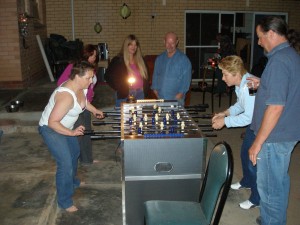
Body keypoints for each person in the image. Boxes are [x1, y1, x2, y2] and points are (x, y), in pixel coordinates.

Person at [247, 16, 300, 225]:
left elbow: (276, 106)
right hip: (286, 132)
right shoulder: (290, 55)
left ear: (271, 34)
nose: (259, 42)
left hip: (274, 137)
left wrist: (257, 142)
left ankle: (272, 221)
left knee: (269, 190)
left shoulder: (278, 61)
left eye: (260, 37)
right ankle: (272, 219)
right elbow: (287, 89)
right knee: (278, 183)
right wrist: (265, 83)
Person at [38, 61, 104, 212]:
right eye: (88, 78)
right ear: (76, 76)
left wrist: (95, 110)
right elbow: (53, 122)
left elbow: (84, 102)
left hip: (65, 127)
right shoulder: (66, 96)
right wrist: (72, 133)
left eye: (92, 77)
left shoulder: (82, 87)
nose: (91, 81)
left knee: (75, 153)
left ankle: (73, 181)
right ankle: (64, 201)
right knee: (65, 163)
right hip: (50, 129)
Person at [211, 55, 259, 210]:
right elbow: (240, 105)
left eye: (225, 74)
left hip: (261, 127)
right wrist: (225, 113)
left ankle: (257, 199)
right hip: (254, 125)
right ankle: (247, 181)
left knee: (255, 162)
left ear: (237, 74)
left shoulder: (250, 85)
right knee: (245, 153)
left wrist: (225, 122)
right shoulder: (240, 84)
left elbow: (248, 116)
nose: (223, 78)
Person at [57, 44, 98, 164]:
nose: (93, 58)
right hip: (76, 104)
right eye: (91, 55)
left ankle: (87, 159)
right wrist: (75, 93)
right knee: (78, 134)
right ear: (85, 54)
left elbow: (90, 85)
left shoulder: (91, 69)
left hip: (86, 104)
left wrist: (91, 93)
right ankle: (73, 160)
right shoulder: (74, 67)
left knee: (86, 132)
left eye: (95, 56)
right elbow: (61, 82)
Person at [104, 34, 149, 107]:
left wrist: (145, 89)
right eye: (131, 44)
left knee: (138, 117)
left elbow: (146, 77)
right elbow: (107, 76)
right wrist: (120, 88)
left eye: (135, 45)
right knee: (124, 117)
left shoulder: (141, 61)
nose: (133, 47)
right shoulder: (118, 60)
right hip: (125, 94)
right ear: (126, 46)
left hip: (140, 93)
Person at [151, 32, 192, 106]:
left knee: (174, 118)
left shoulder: (184, 60)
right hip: (160, 98)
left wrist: (179, 95)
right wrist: (155, 90)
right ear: (164, 42)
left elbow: (186, 80)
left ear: (177, 42)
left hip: (176, 100)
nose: (170, 46)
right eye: (168, 43)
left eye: (172, 43)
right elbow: (155, 75)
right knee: (161, 117)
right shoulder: (160, 58)